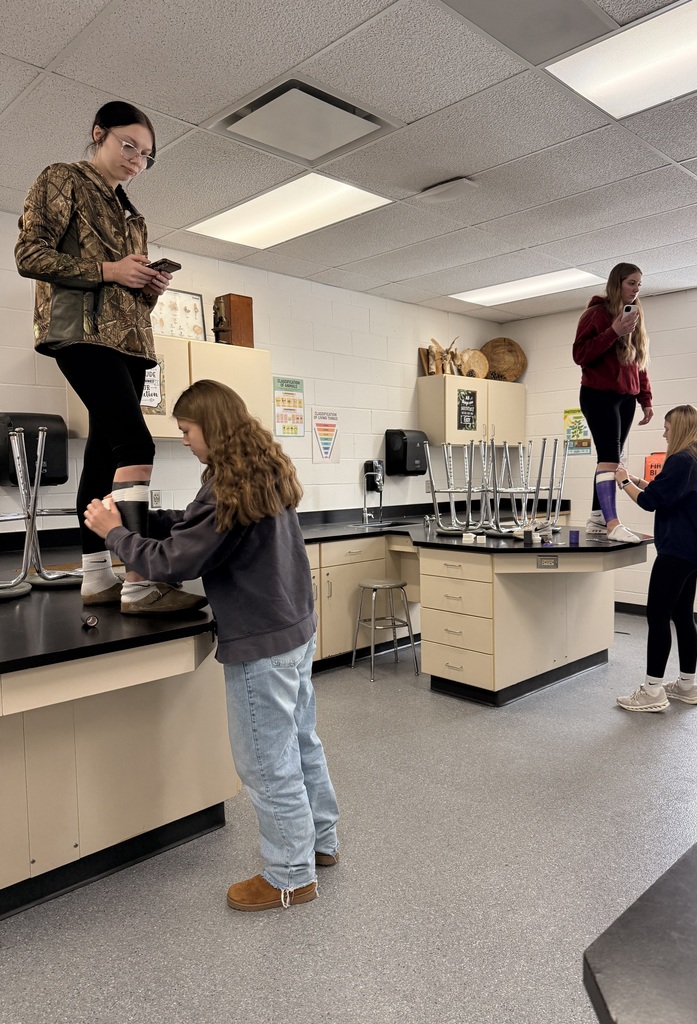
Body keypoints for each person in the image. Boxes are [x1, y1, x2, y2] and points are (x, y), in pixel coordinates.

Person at [83, 379, 340, 911]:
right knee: (301, 742)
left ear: (211, 427)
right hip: (294, 629)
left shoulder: (227, 482)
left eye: (187, 431)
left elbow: (176, 562)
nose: (187, 442)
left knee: (266, 763)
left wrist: (113, 533)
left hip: (260, 643)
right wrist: (144, 521)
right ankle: (320, 843)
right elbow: (200, 529)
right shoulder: (259, 466)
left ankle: (290, 876)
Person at [15, 100, 204, 614]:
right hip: (81, 335)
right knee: (135, 441)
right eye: (128, 145)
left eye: (145, 156)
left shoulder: (133, 216)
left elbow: (129, 292)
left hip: (131, 343)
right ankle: (140, 583)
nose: (135, 161)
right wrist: (110, 270)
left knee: (103, 455)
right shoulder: (64, 179)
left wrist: (149, 285)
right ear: (99, 133)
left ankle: (96, 577)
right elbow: (29, 255)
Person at [614, 405, 697, 712]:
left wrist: (623, 483)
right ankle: (687, 686)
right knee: (682, 615)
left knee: (657, 616)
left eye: (667, 428)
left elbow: (650, 503)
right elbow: (670, 493)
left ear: (681, 429)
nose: (664, 433)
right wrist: (637, 478)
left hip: (677, 551)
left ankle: (652, 692)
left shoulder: (680, 459)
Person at [573, 262, 653, 544]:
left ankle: (597, 516)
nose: (636, 289)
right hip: (599, 394)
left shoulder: (636, 314)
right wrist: (614, 331)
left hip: (625, 397)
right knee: (609, 459)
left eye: (639, 284)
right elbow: (580, 354)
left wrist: (646, 399)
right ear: (617, 283)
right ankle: (612, 524)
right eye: (631, 283)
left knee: (611, 459)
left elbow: (638, 360)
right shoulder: (595, 314)